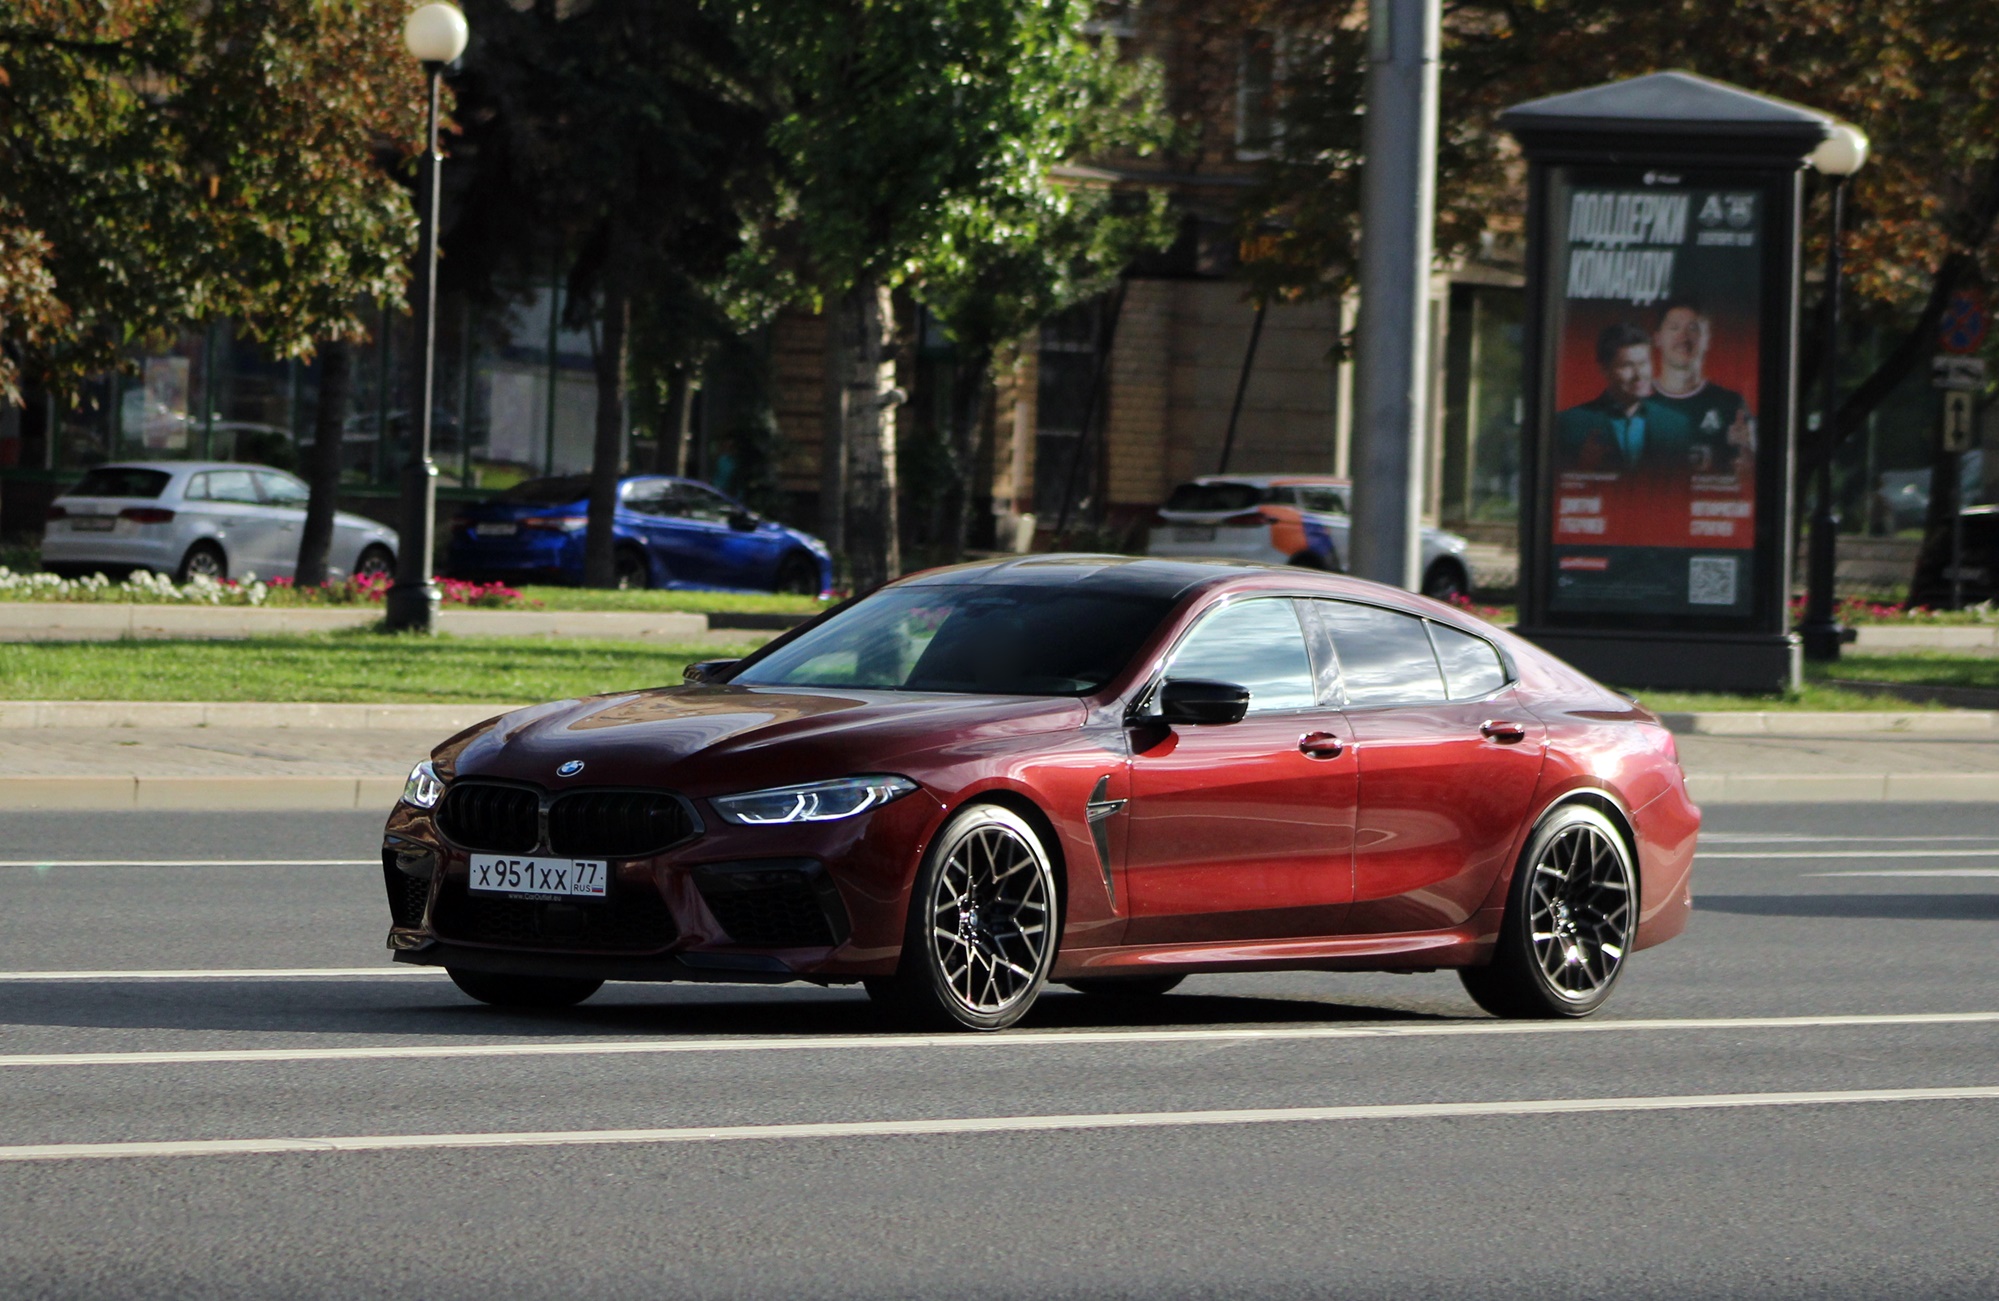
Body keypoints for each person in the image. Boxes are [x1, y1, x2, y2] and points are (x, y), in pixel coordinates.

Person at [1555, 322, 1693, 476]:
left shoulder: (1676, 425)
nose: (1639, 375)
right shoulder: (1570, 424)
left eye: (1643, 364)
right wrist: (1582, 466)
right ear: (1604, 370)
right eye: (1627, 366)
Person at [1649, 296, 1754, 472]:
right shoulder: (1631, 402)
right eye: (1674, 328)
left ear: (1707, 339)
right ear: (1657, 338)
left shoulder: (1731, 404)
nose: (1683, 337)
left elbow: (1747, 474)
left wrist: (1748, 454)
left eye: (1693, 328)